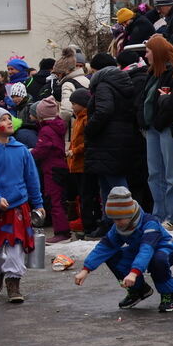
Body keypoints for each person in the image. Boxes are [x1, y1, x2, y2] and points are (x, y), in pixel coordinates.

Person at [73, 187, 173, 312]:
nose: (116, 223)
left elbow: (147, 249)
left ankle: (168, 295)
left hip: (164, 249)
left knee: (158, 261)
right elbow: (105, 247)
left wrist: (134, 272)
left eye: (119, 219)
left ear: (130, 213)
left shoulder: (149, 223)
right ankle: (139, 290)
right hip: (139, 251)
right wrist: (86, 269)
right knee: (111, 256)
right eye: (113, 219)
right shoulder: (119, 227)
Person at [0, 107, 43, 303]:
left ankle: (13, 283)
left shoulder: (22, 150)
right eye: (4, 119)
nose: (9, 122)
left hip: (17, 208)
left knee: (17, 246)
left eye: (9, 118)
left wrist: (38, 204)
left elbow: (32, 179)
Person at [141, 35, 173, 230]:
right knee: (154, 173)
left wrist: (158, 121)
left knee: (172, 173)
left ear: (157, 53)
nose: (146, 54)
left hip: (166, 128)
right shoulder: (152, 73)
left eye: (149, 50)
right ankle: (158, 213)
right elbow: (143, 101)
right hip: (152, 128)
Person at [85, 54, 141, 209]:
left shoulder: (103, 85)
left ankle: (125, 222)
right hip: (121, 138)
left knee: (114, 186)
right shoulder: (123, 82)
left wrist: (89, 128)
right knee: (113, 182)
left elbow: (104, 111)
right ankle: (113, 223)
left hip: (106, 140)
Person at [29, 97, 71, 244]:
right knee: (59, 199)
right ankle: (63, 230)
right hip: (59, 166)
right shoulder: (58, 126)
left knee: (55, 200)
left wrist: (28, 154)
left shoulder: (46, 130)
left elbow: (42, 149)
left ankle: (62, 232)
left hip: (52, 168)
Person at [66, 88, 99, 237]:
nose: (72, 106)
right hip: (76, 164)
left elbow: (87, 141)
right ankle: (86, 223)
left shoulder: (86, 118)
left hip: (83, 163)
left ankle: (89, 226)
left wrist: (75, 151)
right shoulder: (78, 118)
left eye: (74, 103)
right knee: (82, 195)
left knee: (87, 195)